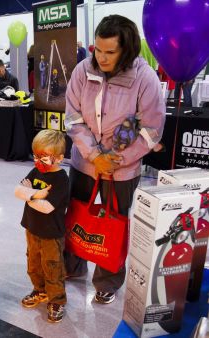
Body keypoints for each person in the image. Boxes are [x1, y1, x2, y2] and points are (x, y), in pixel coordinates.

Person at [64, 15, 165, 304]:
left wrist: (117, 159)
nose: (102, 58)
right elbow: (73, 117)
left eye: (110, 52)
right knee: (77, 214)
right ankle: (72, 265)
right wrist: (94, 155)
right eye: (97, 49)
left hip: (122, 169)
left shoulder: (144, 78)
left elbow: (152, 130)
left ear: (127, 50)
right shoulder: (83, 70)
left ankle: (107, 280)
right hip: (85, 162)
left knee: (114, 222)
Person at [14, 129, 70, 323]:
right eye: (36, 156)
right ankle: (40, 290)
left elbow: (46, 208)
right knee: (34, 264)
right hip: (31, 227)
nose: (38, 161)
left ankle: (57, 299)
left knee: (52, 267)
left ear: (60, 158)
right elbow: (17, 190)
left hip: (51, 233)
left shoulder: (61, 179)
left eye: (44, 158)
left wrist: (28, 194)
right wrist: (36, 194)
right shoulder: (37, 170)